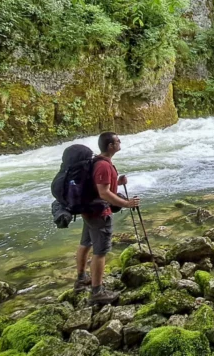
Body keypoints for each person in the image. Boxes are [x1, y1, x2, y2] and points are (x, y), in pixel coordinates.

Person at [75, 131, 139, 305]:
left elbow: (98, 186)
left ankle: (81, 279)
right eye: (118, 141)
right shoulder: (103, 165)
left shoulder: (98, 161)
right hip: (99, 213)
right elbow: (103, 193)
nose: (120, 142)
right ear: (111, 146)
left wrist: (117, 182)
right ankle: (97, 292)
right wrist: (126, 203)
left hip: (89, 211)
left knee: (86, 243)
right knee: (100, 252)